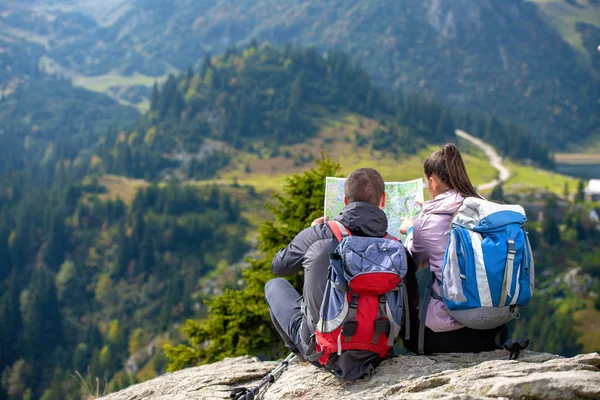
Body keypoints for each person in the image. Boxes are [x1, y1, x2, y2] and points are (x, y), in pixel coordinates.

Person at [264, 168, 418, 362]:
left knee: (274, 286)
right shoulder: (396, 246)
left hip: (324, 350)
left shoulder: (321, 233)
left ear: (345, 201)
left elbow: (279, 266)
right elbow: (411, 300)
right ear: (383, 200)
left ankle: (305, 355)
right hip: (379, 348)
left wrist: (311, 232)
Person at [399, 143, 507, 354]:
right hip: (494, 331)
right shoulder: (488, 208)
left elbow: (411, 264)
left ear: (432, 182)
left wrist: (412, 228)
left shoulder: (427, 221)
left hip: (446, 335)